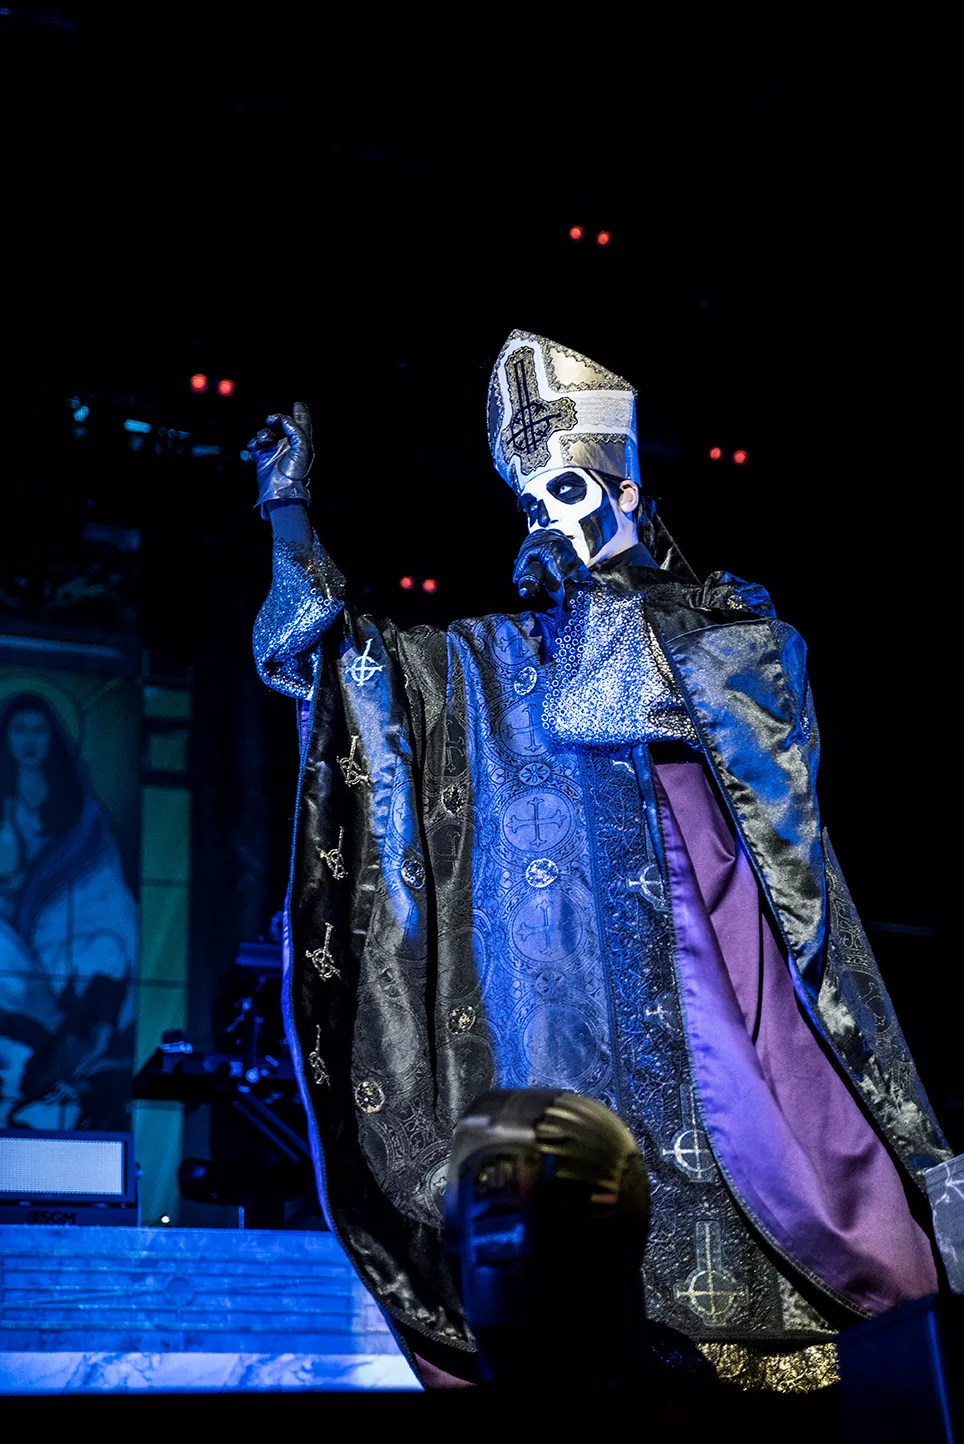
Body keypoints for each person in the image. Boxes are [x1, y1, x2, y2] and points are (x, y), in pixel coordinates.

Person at [249, 330, 952, 1391]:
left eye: (569, 494)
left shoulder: (725, 624)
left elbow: (643, 710)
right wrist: (288, 510)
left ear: (627, 493)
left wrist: (614, 576)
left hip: (701, 1039)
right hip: (545, 1045)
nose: (547, 526)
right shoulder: (486, 660)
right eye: (531, 507)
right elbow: (339, 667)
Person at [0, 693, 136, 1129]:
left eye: (38, 730)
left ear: (53, 738)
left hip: (57, 922)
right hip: (8, 926)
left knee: (104, 950)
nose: (29, 741)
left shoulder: (79, 811)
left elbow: (101, 880)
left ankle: (76, 1055)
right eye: (19, 729)